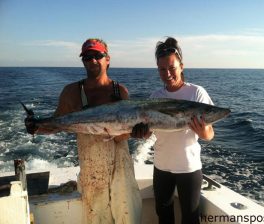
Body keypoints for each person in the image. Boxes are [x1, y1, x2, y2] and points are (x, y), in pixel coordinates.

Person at [25, 38, 142, 224]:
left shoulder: (120, 92)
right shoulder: (71, 92)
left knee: (128, 216)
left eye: (98, 55)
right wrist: (36, 127)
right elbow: (57, 124)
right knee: (97, 218)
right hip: (92, 168)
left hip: (121, 166)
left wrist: (136, 133)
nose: (93, 60)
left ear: (108, 59)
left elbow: (121, 136)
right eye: (87, 57)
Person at [132, 37, 214, 224]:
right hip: (161, 167)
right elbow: (150, 132)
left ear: (181, 66)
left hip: (188, 167)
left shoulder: (196, 93)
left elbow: (210, 134)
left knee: (191, 219)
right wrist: (143, 134)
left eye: (172, 68)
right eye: (162, 69)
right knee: (164, 216)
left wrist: (203, 133)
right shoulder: (155, 97)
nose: (167, 73)